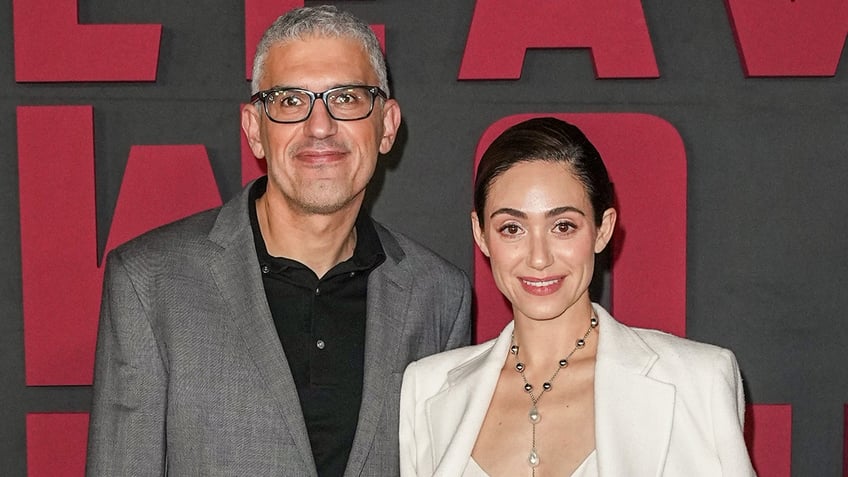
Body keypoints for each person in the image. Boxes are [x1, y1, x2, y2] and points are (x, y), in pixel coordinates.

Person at [86, 6, 471, 476]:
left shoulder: (439, 295)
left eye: (346, 98)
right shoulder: (149, 283)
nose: (320, 127)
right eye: (290, 101)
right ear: (254, 130)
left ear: (387, 126)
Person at [399, 117, 756, 476]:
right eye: (512, 228)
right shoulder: (426, 389)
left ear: (603, 230)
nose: (539, 257)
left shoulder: (698, 383)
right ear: (480, 234)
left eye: (563, 226)